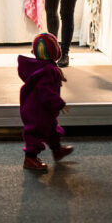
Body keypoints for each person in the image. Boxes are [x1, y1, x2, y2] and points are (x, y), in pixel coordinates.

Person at [18, 33, 73, 171]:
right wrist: (59, 103)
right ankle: (30, 159)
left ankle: (57, 150)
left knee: (52, 130)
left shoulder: (44, 67)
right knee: (35, 133)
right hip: (37, 111)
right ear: (55, 51)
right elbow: (46, 93)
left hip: (43, 110)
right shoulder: (47, 70)